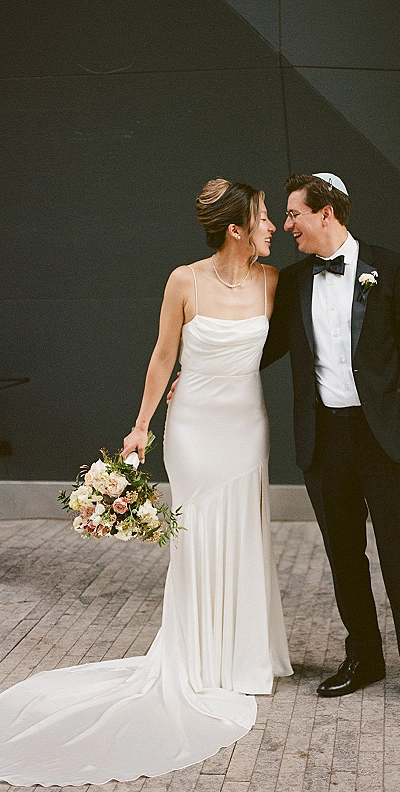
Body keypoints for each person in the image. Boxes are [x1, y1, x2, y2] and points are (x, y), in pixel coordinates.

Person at [0, 179, 292, 786]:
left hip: (246, 429)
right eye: (264, 218)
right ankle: (198, 657)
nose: (273, 227)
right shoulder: (183, 280)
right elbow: (163, 356)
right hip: (192, 434)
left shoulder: (273, 283)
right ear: (236, 228)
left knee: (241, 532)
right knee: (197, 534)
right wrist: (141, 428)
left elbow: (282, 345)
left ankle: (241, 657)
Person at [260, 172, 400, 716]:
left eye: (295, 214)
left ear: (326, 213)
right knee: (344, 557)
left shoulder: (392, 268)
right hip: (325, 440)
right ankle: (364, 657)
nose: (287, 225)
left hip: (387, 439)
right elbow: (266, 348)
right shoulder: (296, 280)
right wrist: (202, 370)